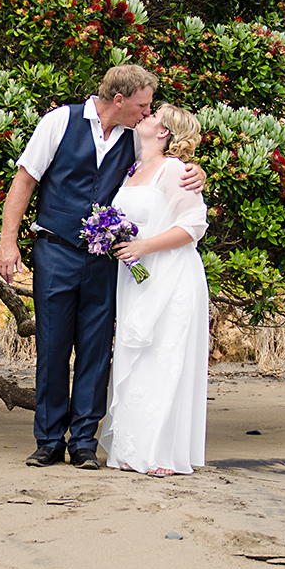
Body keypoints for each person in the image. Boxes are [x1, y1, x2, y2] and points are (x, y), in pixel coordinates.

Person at [0, 65, 204, 470]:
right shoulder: (59, 122)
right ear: (119, 100)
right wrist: (8, 242)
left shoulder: (135, 138)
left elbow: (166, 168)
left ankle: (85, 441)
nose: (147, 114)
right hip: (54, 250)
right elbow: (24, 181)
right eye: (142, 105)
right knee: (53, 346)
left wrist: (197, 171)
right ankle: (49, 439)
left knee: (95, 349)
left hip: (104, 260)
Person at [100, 104, 209, 476]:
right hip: (137, 278)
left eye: (151, 116)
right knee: (138, 356)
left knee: (166, 357)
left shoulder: (174, 169)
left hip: (171, 275)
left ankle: (162, 453)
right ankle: (133, 448)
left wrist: (143, 246)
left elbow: (194, 224)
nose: (142, 116)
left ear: (163, 133)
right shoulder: (133, 168)